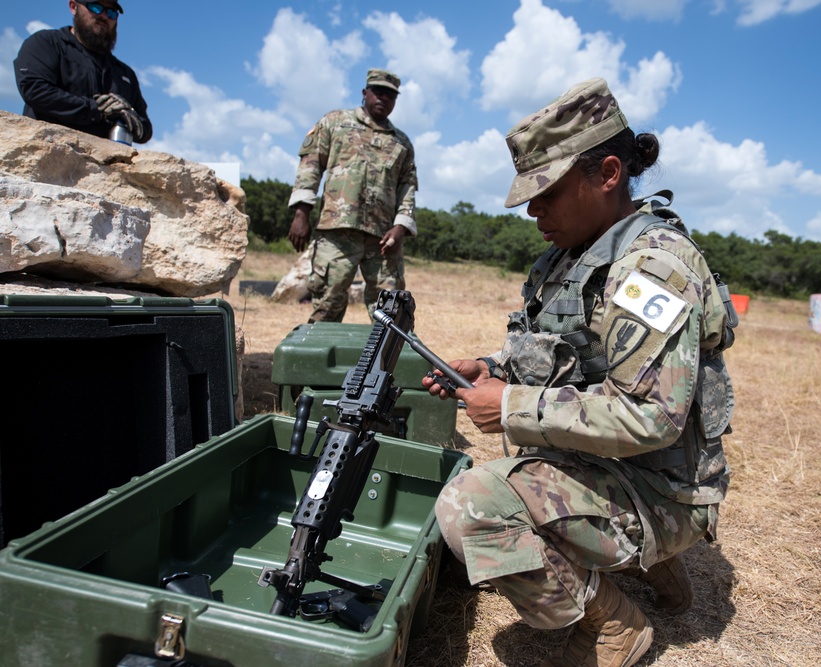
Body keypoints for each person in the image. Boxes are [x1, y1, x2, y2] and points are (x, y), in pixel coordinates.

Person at [423, 78, 737, 667]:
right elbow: (561, 355)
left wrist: (511, 406)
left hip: (664, 488)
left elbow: (651, 416)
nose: (533, 210)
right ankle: (650, 561)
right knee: (511, 480)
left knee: (473, 506)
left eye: (547, 191)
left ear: (608, 173)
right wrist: (487, 369)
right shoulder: (575, 256)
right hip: (618, 469)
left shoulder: (651, 269)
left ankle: (613, 624)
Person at [287, 68, 418, 323]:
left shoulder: (402, 143)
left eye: (390, 95)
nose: (383, 98)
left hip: (384, 241)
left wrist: (401, 226)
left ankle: (386, 363)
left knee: (392, 314)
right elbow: (310, 167)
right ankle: (320, 360)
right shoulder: (334, 123)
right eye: (378, 92)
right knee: (327, 304)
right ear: (365, 93)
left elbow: (408, 188)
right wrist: (301, 213)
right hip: (338, 232)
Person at [13, 1, 152, 144]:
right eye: (95, 7)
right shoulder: (46, 44)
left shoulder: (124, 73)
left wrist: (130, 119)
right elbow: (35, 90)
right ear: (74, 7)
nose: (104, 16)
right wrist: (95, 109)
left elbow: (146, 128)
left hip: (105, 163)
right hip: (49, 155)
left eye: (111, 12)